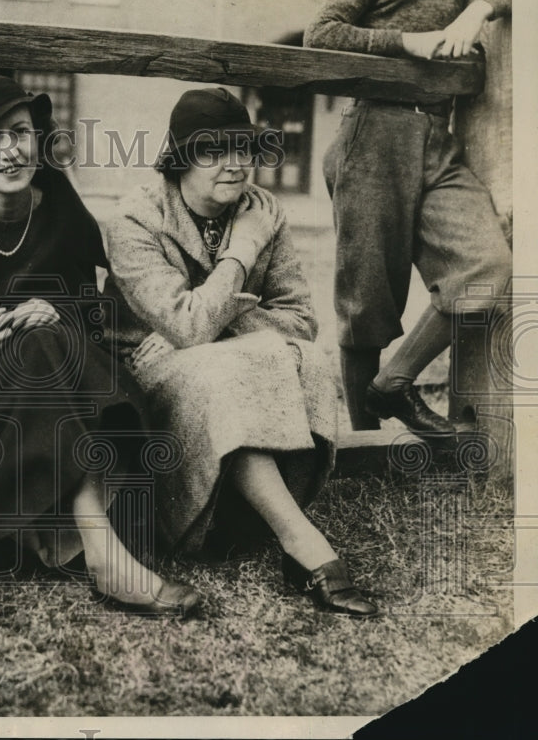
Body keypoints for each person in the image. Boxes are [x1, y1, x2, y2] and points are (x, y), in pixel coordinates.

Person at [0, 75, 201, 617]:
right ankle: (99, 553)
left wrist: (58, 313)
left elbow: (89, 311)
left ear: (39, 138)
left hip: (50, 383)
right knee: (45, 356)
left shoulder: (62, 209)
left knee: (46, 346)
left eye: (19, 133)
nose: (9, 152)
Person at [101, 88, 379, 617]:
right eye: (212, 151)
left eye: (243, 148)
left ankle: (259, 519)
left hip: (225, 369)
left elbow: (300, 319)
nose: (234, 165)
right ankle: (304, 544)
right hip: (145, 385)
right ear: (181, 157)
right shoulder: (135, 219)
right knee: (231, 368)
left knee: (308, 360)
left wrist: (217, 323)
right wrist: (240, 250)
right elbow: (186, 325)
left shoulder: (261, 209)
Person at [304, 0, 513, 433]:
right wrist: (404, 42)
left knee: (488, 265)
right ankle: (366, 443)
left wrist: (477, 8)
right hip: (373, 132)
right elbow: (319, 33)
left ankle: (392, 383)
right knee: (367, 299)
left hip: (439, 138)